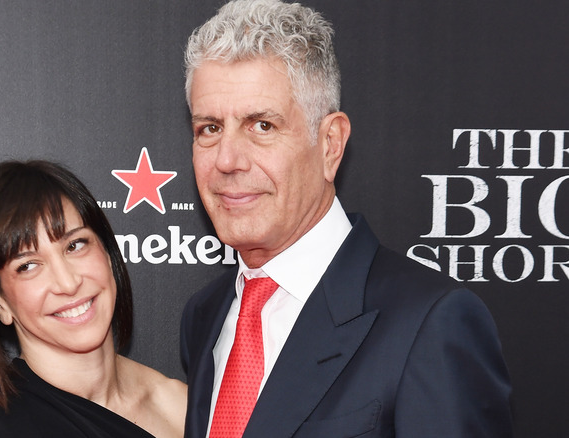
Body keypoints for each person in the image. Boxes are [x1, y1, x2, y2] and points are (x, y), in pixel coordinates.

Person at [179, 1, 513, 437]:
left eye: (262, 126)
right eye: (209, 128)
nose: (227, 160)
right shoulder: (204, 315)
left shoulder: (430, 324)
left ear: (331, 144)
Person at [0, 160, 186, 437]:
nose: (68, 283)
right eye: (28, 266)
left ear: (107, 252)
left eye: (75, 245)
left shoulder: (182, 407)